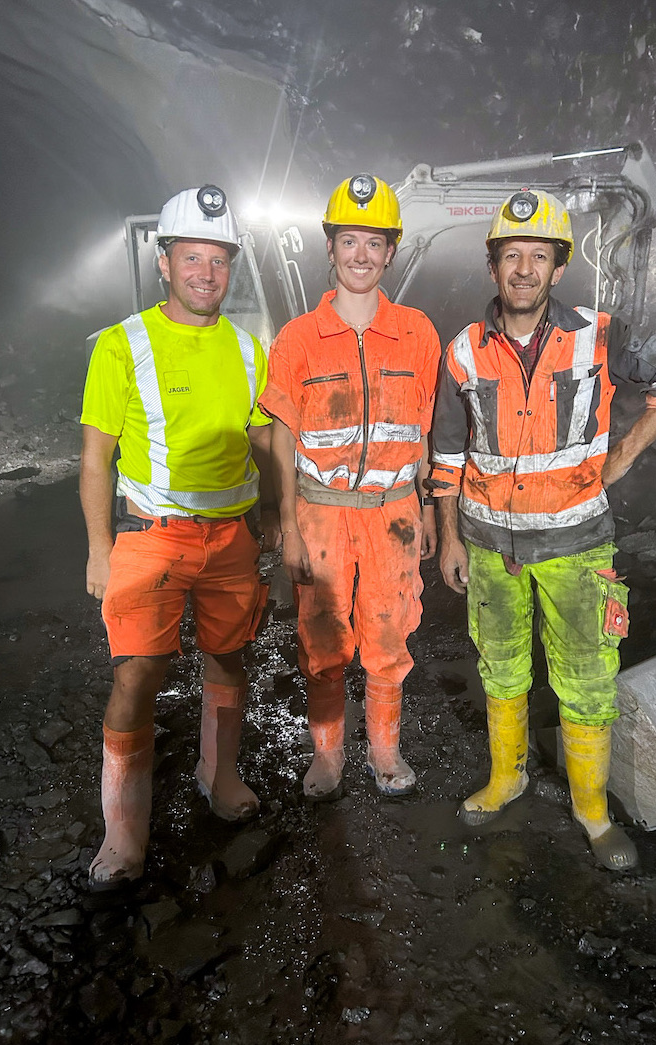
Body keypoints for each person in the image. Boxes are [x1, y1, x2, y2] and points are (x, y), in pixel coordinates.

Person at [428, 188, 656, 871]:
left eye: (539, 256)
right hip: (489, 548)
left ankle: (591, 811)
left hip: (577, 548)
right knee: (501, 668)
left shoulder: (599, 334)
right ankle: (507, 779)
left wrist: (625, 453)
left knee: (586, 679)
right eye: (511, 255)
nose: (524, 269)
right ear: (492, 266)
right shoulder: (462, 352)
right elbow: (446, 455)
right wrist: (450, 537)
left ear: (559, 266)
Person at [80, 185, 276, 890]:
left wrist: (277, 517)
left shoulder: (249, 350)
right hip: (150, 538)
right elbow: (96, 459)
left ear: (231, 268)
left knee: (228, 658)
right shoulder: (121, 345)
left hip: (231, 540)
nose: (206, 272)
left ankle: (218, 777)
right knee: (137, 673)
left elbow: (264, 442)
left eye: (219, 259)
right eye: (191, 257)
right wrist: (99, 549)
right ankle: (123, 831)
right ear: (164, 262)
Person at [258, 175, 442, 799]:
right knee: (323, 637)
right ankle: (329, 755)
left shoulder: (417, 332)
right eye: (348, 241)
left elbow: (424, 432)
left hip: (394, 513)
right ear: (330, 248)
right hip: (322, 512)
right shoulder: (297, 338)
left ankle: (385, 751)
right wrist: (287, 525)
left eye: (374, 242)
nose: (360, 255)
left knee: (390, 632)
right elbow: (281, 439)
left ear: (391, 252)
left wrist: (429, 513)